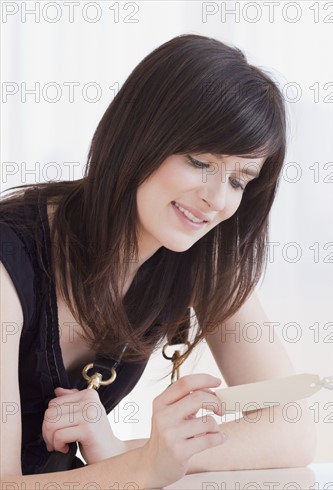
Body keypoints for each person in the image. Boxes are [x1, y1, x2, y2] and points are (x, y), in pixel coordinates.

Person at [0, 34, 316, 488]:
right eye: (199, 161)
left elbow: (292, 431)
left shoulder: (200, 254)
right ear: (138, 138)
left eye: (240, 180)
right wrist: (145, 467)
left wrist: (128, 452)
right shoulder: (9, 258)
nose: (216, 200)